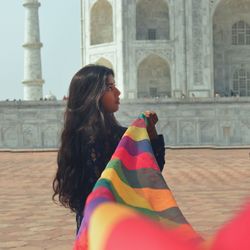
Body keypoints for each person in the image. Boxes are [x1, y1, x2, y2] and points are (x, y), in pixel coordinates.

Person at [52, 64, 165, 233]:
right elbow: (81, 192)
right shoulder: (80, 139)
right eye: (110, 87)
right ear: (92, 94)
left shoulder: (119, 136)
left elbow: (152, 170)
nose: (118, 92)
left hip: (114, 224)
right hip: (101, 226)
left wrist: (151, 133)